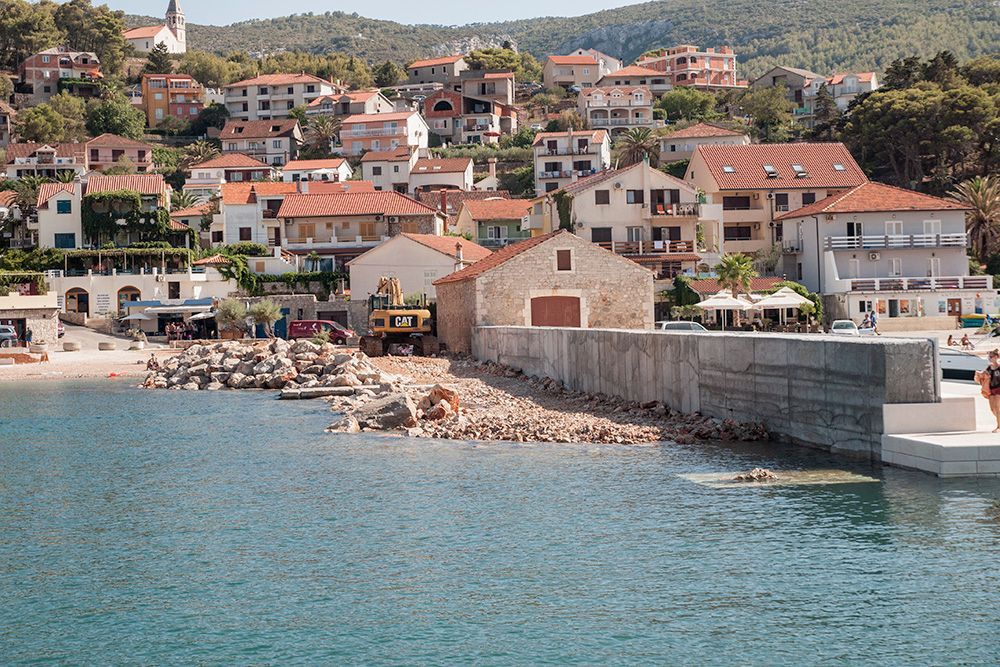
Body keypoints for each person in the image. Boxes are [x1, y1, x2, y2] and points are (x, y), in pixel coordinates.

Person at [976, 350, 1000, 432]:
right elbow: (983, 376)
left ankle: (999, 427)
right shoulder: (989, 368)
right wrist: (979, 374)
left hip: (998, 389)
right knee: (992, 409)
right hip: (991, 389)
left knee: (997, 408)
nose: (989, 358)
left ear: (996, 357)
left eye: (991, 357)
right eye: (989, 357)